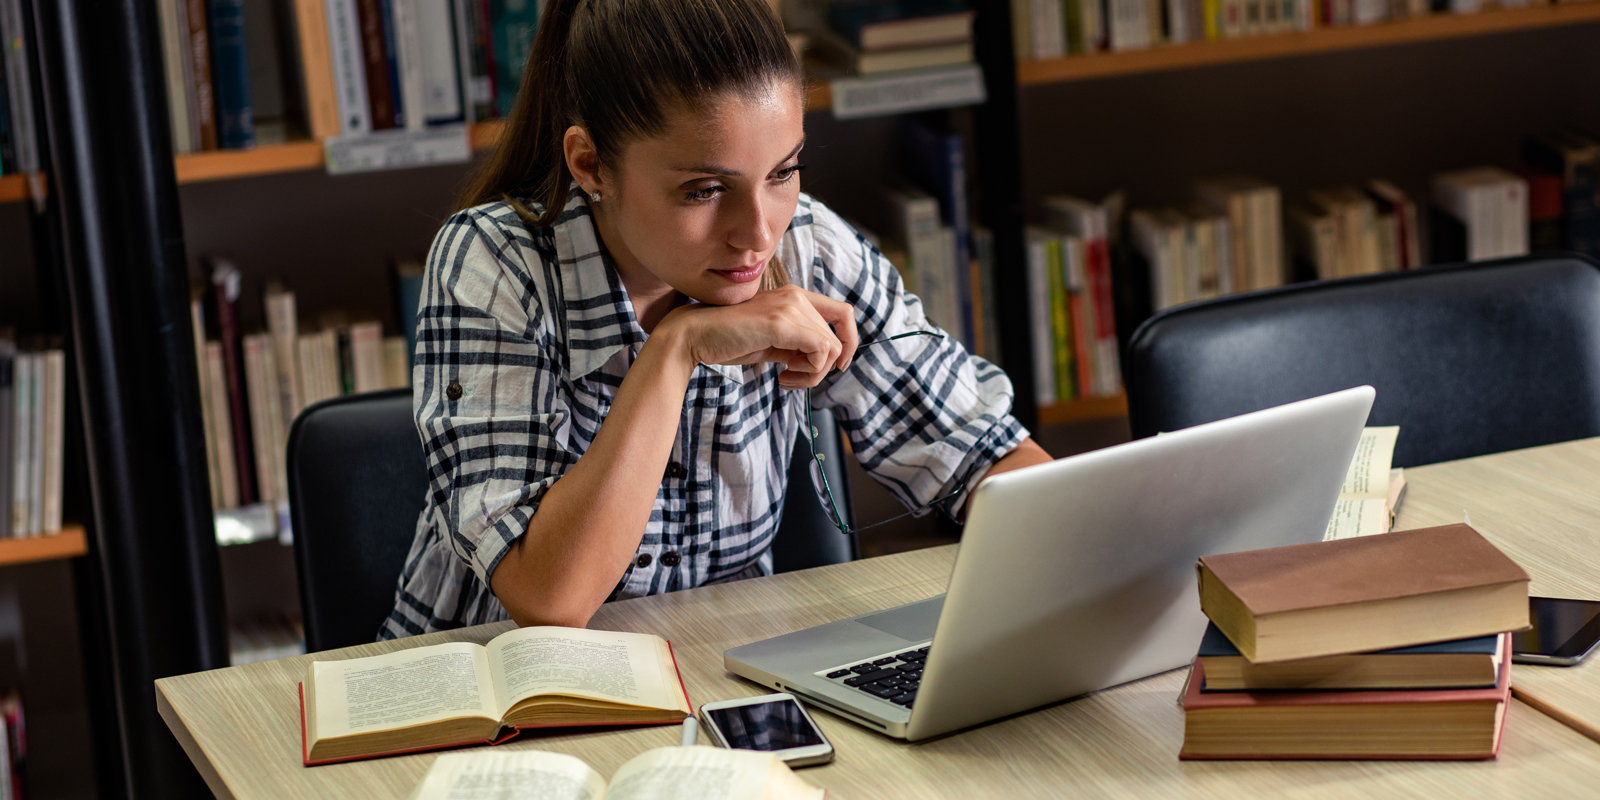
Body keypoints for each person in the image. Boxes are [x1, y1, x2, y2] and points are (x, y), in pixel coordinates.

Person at [379, 0, 1052, 640]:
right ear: (590, 165)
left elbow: (982, 451)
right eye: (704, 190)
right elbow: (549, 596)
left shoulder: (805, 244)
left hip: (707, 675)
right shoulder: (492, 264)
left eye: (783, 172)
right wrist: (676, 349)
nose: (757, 234)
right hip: (493, 698)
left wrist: (1115, 571)